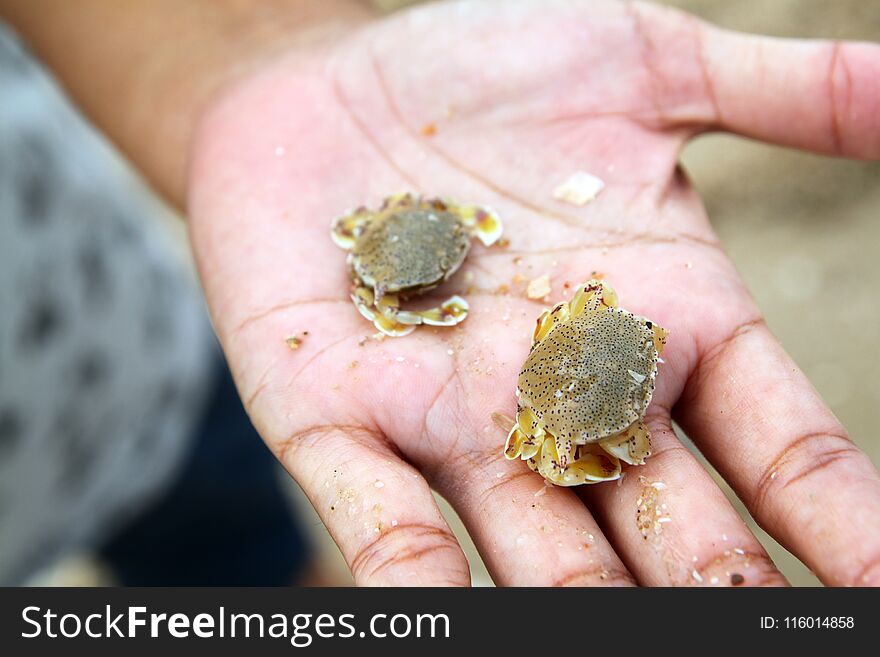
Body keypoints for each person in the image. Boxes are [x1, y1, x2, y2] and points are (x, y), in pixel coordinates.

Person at [2, 0, 878, 587]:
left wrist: (263, 53)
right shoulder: (508, 380)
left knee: (239, 554)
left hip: (136, 365)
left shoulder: (576, 322)